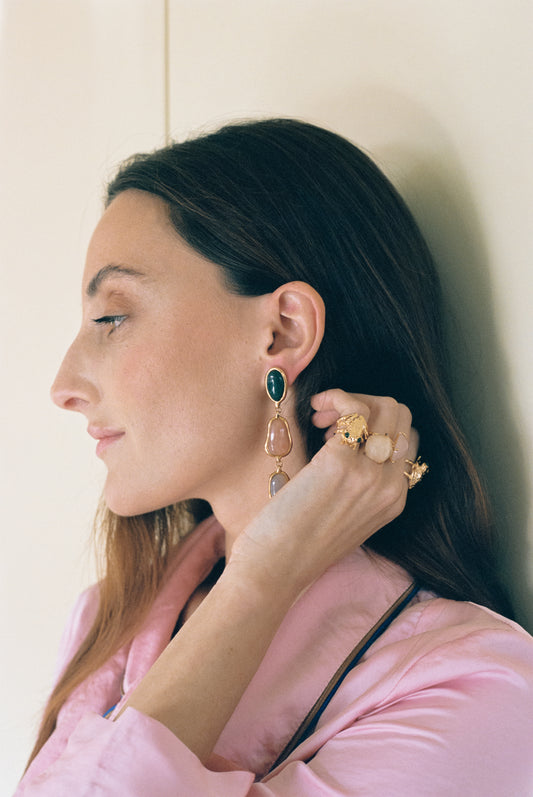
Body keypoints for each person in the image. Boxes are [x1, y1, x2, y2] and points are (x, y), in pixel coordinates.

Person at [16, 118, 533, 796]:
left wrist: (264, 577)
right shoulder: (110, 622)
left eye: (111, 318)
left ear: (283, 331)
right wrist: (260, 572)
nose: (64, 385)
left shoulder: (472, 691)